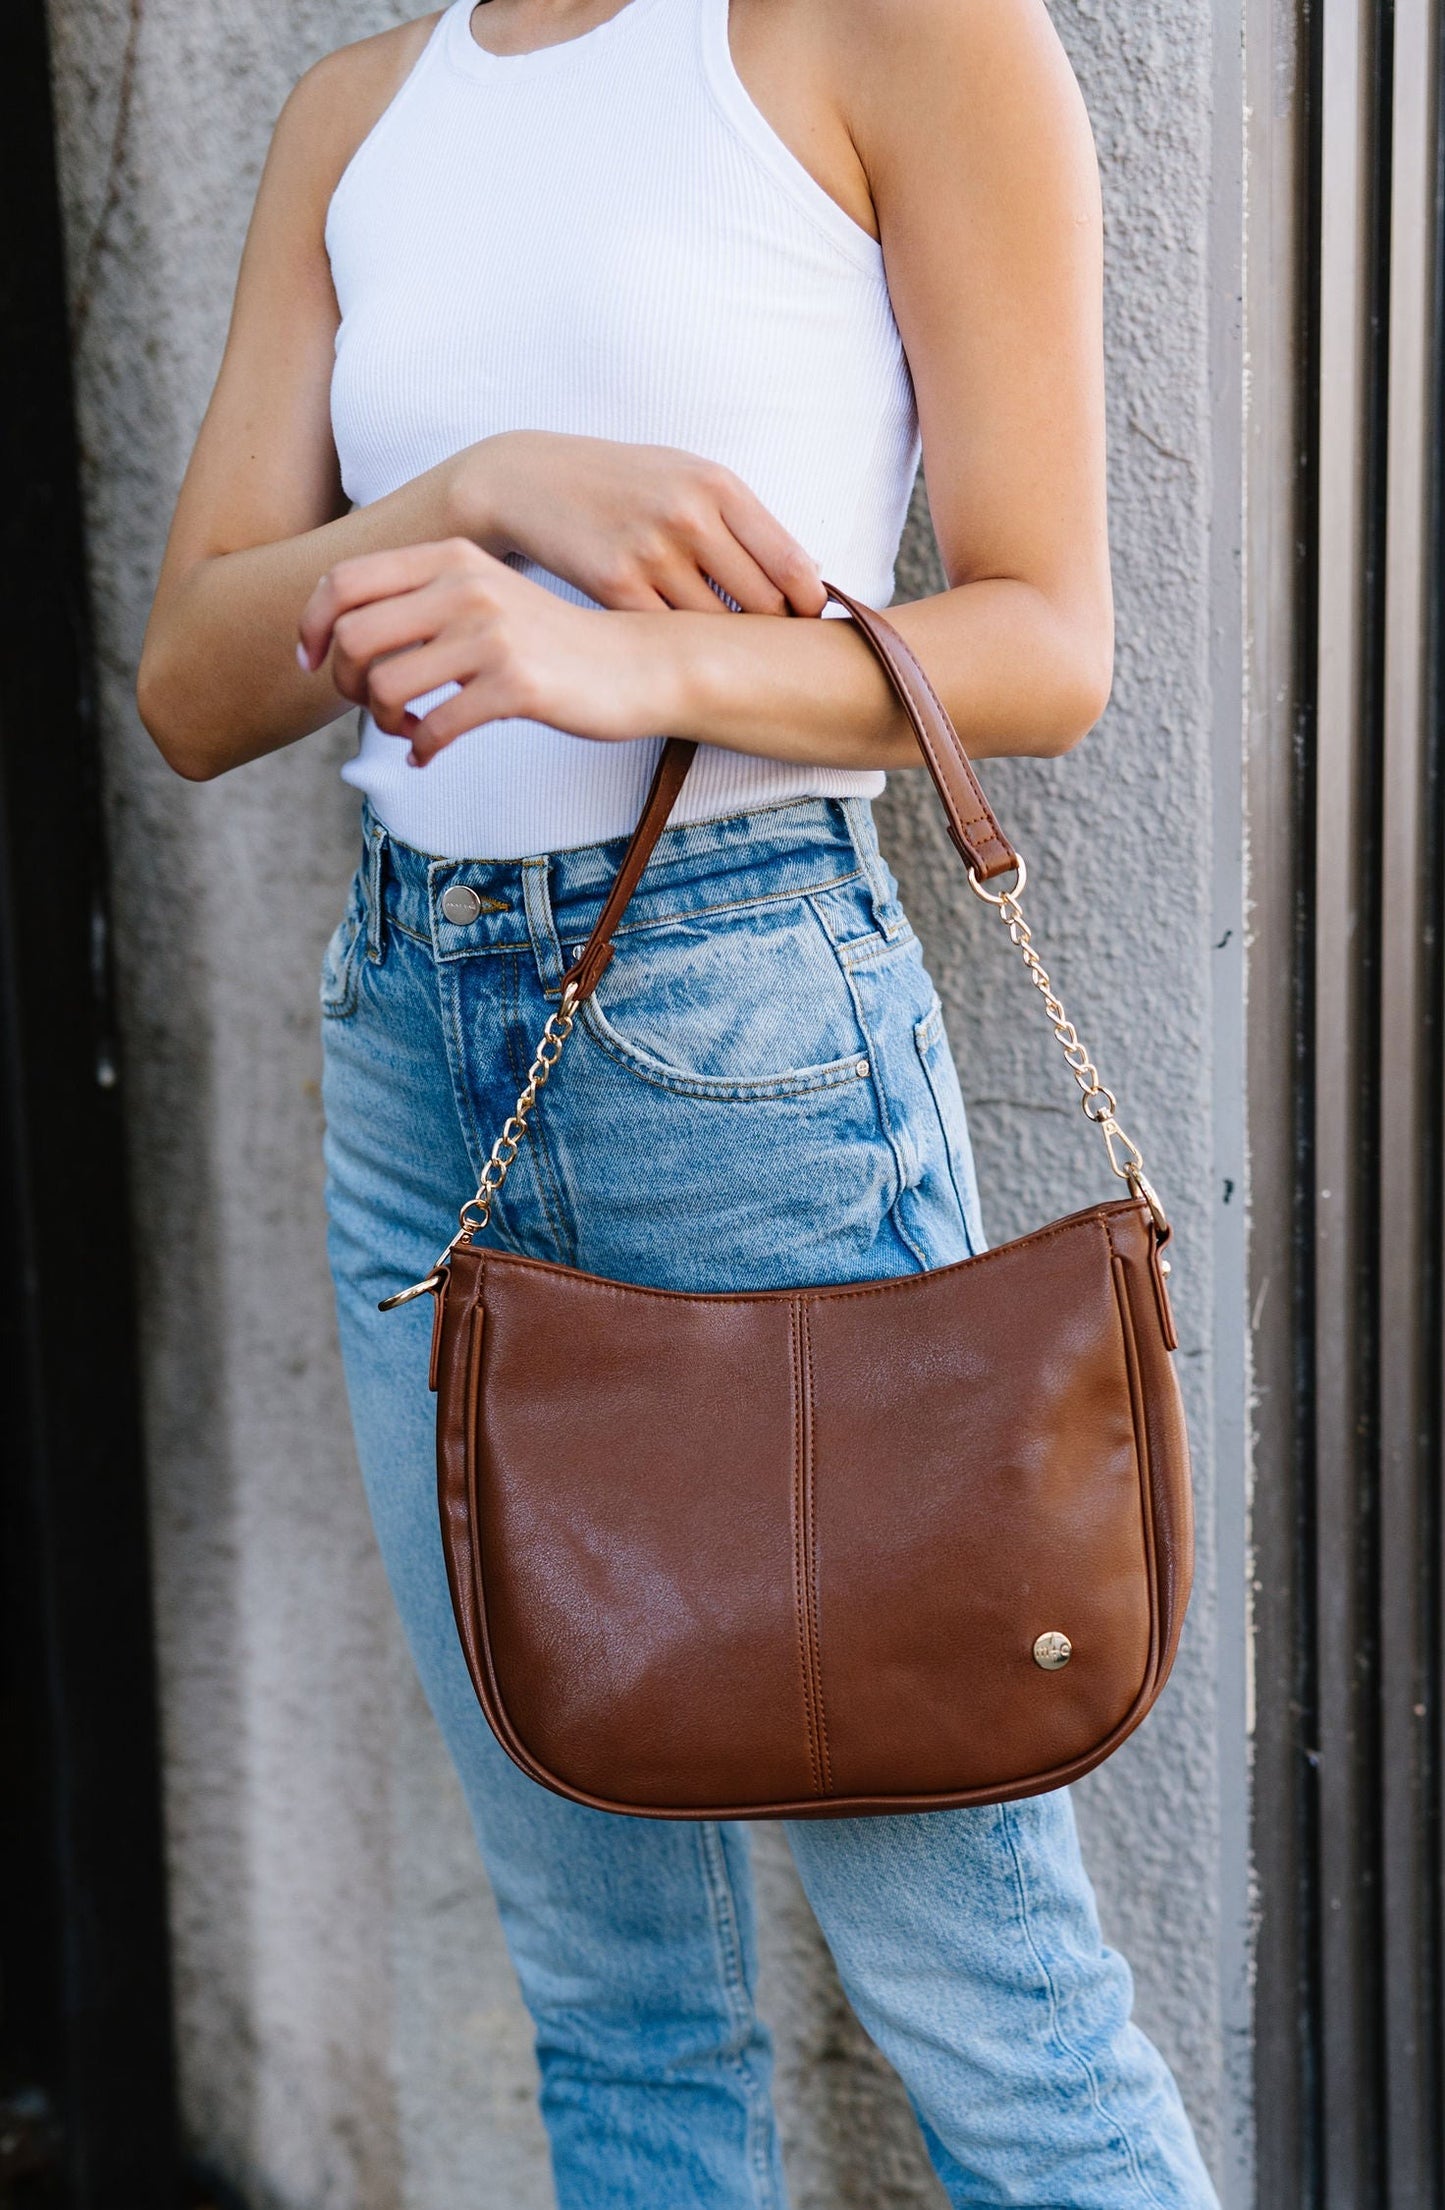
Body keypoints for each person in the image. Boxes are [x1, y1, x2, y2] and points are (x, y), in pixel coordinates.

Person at [138, 1, 1219, 2201]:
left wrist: (631, 662)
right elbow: (189, 680)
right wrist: (471, 492)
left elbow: (1045, 639)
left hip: (744, 1029)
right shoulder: (357, 113)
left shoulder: (893, 34)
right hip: (407, 1046)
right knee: (607, 1989)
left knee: (985, 1996)